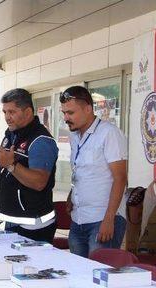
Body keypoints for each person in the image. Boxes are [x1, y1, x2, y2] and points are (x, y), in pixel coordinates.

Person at [60, 85, 128, 258]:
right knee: (78, 275)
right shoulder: (74, 137)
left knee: (99, 277)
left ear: (88, 109)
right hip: (78, 219)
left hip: (102, 219)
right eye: (64, 113)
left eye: (71, 113)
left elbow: (120, 179)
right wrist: (71, 195)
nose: (66, 118)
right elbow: (82, 171)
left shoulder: (109, 133)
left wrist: (109, 219)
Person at [0, 88, 59, 243]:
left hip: (33, 225)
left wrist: (11, 165)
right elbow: (6, 168)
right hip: (12, 219)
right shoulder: (11, 134)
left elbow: (39, 182)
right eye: (4, 112)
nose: (7, 117)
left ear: (28, 112)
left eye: (12, 112)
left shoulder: (40, 141)